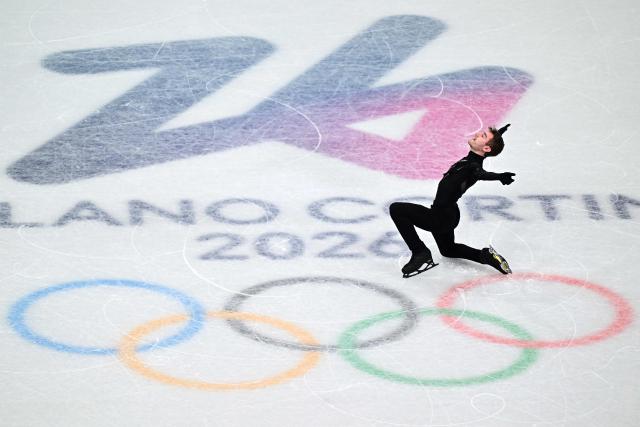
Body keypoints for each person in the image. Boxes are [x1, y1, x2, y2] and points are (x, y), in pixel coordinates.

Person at [389, 124, 515, 278]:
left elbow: (481, 174)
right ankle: (485, 256)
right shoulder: (472, 158)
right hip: (447, 214)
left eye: (482, 136)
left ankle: (420, 252)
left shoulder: (473, 166)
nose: (477, 135)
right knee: (448, 250)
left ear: (487, 148)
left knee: (397, 209)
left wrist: (499, 176)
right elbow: (487, 152)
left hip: (440, 217)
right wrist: (499, 133)